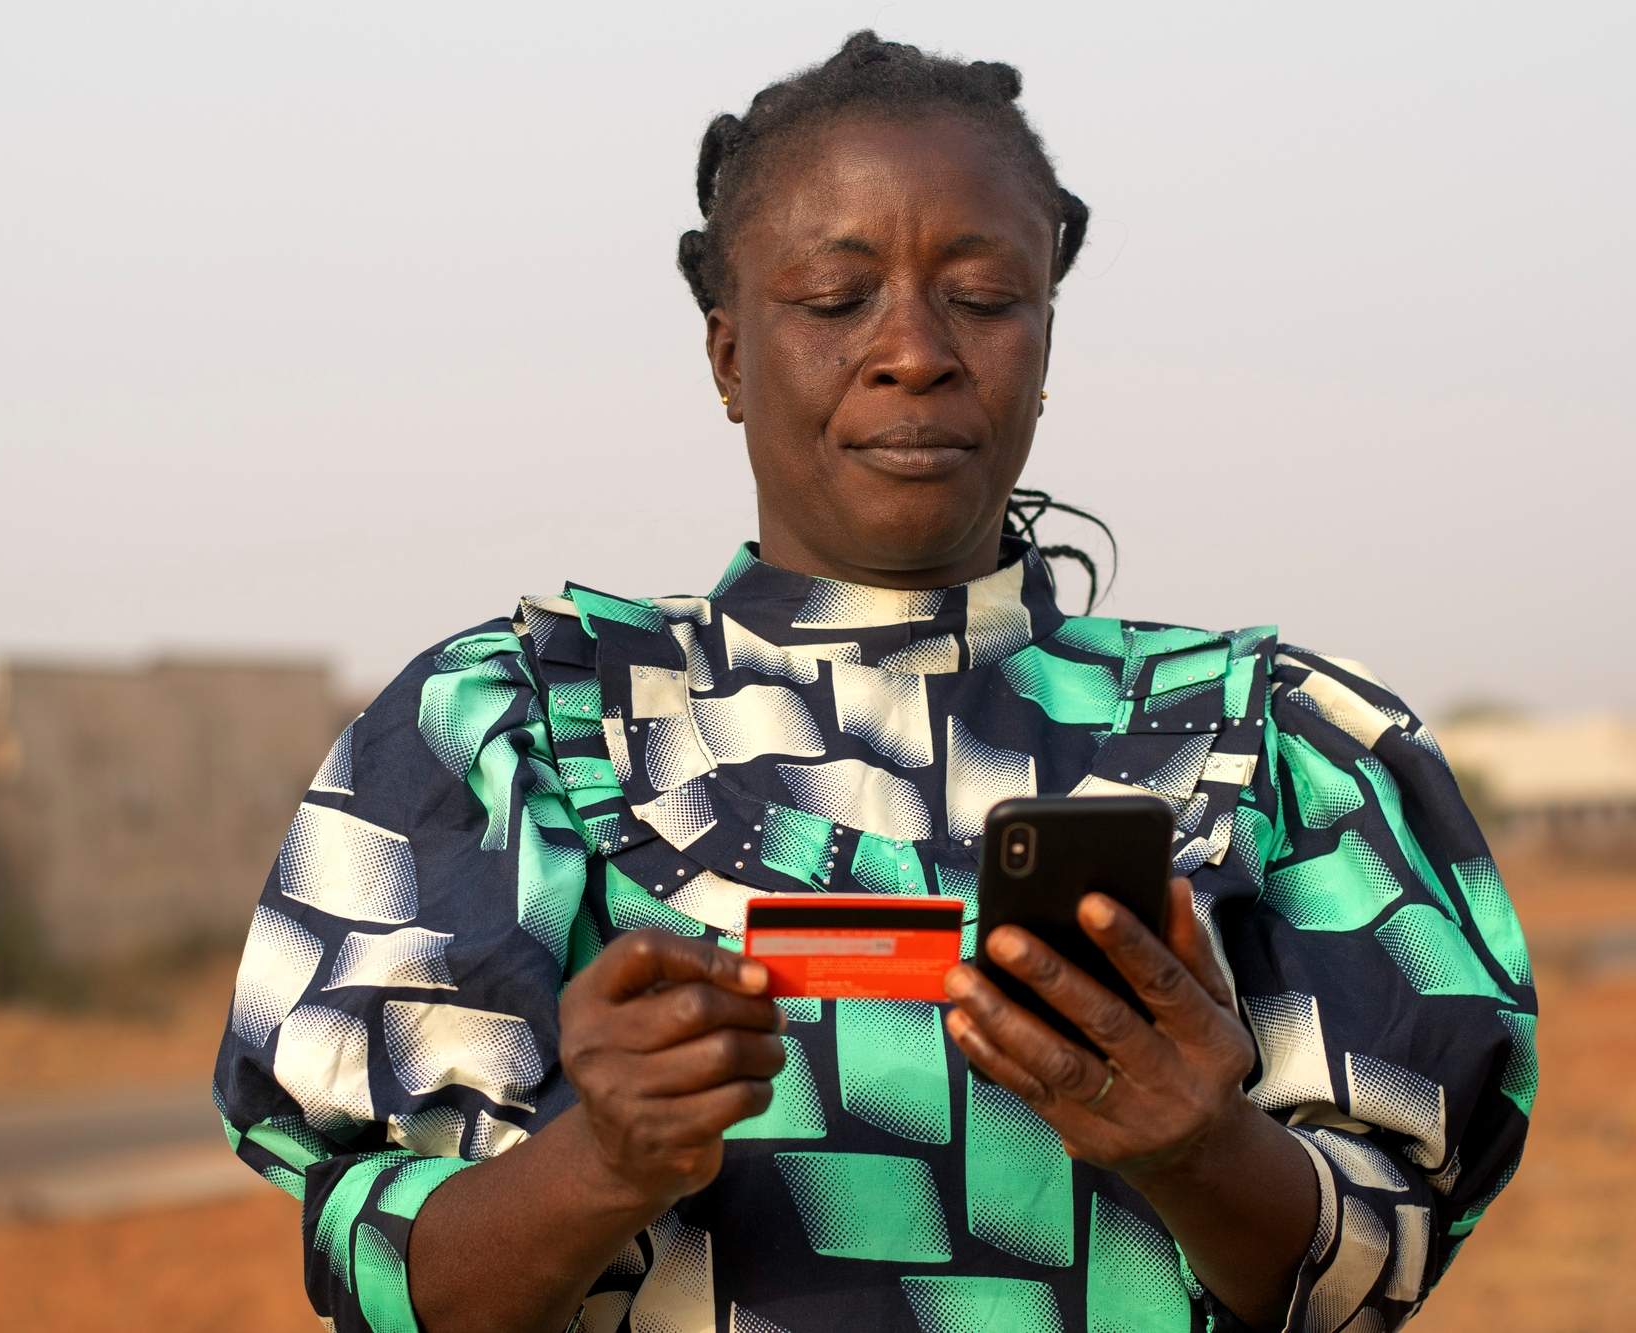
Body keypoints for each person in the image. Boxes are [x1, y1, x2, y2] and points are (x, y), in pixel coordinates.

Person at [213, 32, 1534, 1333]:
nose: (915, 351)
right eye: (835, 299)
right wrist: (598, 1165)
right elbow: (390, 1283)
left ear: (1046, 334)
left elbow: (1376, 1271)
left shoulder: (1273, 738)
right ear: (729, 353)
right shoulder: (509, 730)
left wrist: (1201, 1146)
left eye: (982, 294)